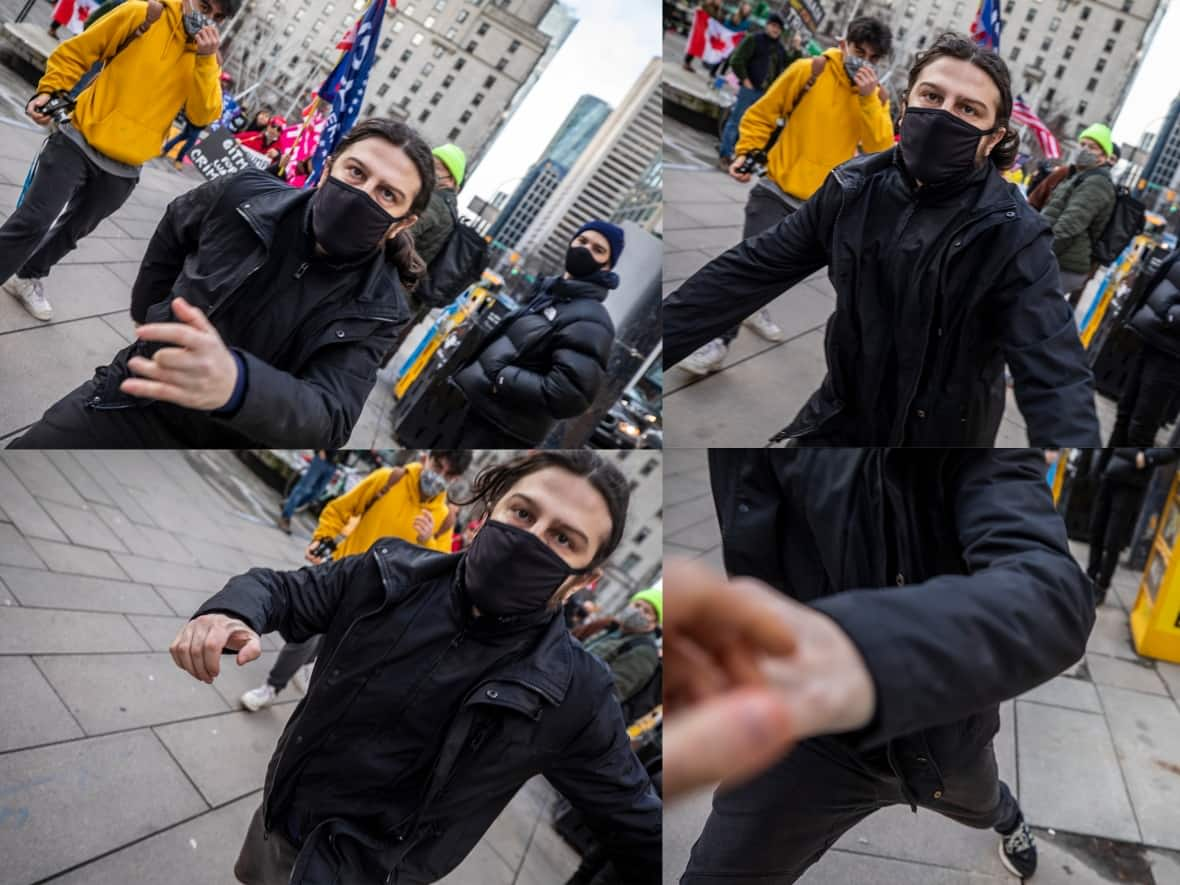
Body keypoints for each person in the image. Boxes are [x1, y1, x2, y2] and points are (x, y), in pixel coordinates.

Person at [169, 451, 662, 885]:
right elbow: (283, 590)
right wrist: (232, 610)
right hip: (279, 821)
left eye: (563, 538)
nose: (529, 539)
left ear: (584, 580)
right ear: (489, 511)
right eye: (522, 512)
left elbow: (639, 825)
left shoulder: (576, 695)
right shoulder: (389, 572)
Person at [665, 32, 1102, 446]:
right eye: (932, 97)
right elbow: (748, 271)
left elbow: (1055, 377)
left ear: (994, 139)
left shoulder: (1015, 235)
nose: (944, 115)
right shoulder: (853, 188)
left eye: (969, 109)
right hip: (836, 422)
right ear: (906, 103)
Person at [679, 448, 1095, 882]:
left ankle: (1010, 821)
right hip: (807, 736)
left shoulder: (972, 439)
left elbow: (1054, 597)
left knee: (986, 803)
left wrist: (858, 656)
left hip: (941, 735)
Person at [9, 118, 434, 449]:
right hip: (131, 395)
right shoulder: (244, 195)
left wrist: (238, 385)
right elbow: (175, 227)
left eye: (387, 195)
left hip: (215, 447)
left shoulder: (381, 308)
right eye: (356, 172)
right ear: (327, 169)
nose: (362, 194)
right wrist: (153, 316)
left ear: (404, 222)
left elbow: (331, 416)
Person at [680, 16, 894, 376]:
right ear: (844, 44)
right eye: (859, 51)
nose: (864, 62)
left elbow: (881, 149)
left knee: (770, 278)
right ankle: (717, 341)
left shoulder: (876, 98)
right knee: (747, 272)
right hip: (775, 189)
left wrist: (869, 101)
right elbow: (762, 114)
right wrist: (746, 152)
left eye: (873, 58)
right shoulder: (809, 69)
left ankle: (754, 307)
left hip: (818, 210)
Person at [2, 0, 229, 323]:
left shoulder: (206, 57)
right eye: (204, 6)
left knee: (73, 231)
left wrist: (206, 61)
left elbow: (203, 114)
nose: (207, 18)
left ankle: (27, 276)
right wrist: (48, 91)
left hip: (125, 167)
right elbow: (79, 51)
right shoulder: (143, 13)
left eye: (217, 16)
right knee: (33, 221)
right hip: (79, 138)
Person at [242, 450, 472, 712]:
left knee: (334, 644)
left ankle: (307, 669)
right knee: (304, 638)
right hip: (341, 575)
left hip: (378, 600)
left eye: (448, 473)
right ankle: (271, 687)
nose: (439, 476)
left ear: (456, 479)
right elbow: (340, 509)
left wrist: (427, 540)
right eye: (437, 465)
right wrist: (321, 539)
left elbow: (437, 568)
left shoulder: (443, 518)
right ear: (426, 458)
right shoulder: (390, 479)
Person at [450, 220, 622, 446]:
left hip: (500, 429)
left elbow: (571, 394)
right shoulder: (550, 293)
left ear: (607, 266)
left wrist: (502, 378)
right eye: (582, 241)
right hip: (477, 411)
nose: (585, 250)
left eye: (598, 250)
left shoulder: (592, 319)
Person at [1087, 448, 1180, 607]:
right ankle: (1089, 577)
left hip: (1131, 478)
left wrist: (1146, 457)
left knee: (1112, 540)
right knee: (1096, 530)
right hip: (1111, 472)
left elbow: (1174, 449)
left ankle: (1101, 586)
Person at [1042, 124, 1118, 308]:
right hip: (1057, 259)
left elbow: (1070, 225)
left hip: (1064, 264)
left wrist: (1040, 252)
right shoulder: (1082, 176)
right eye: (1082, 144)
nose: (1084, 150)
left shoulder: (1097, 183)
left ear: (1104, 156)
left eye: (1092, 147)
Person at [1118, 247, 1180, 446]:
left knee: (1140, 428)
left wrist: (1168, 314)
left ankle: (1121, 475)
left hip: (1171, 350)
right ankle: (1102, 473)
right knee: (1125, 413)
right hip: (1152, 334)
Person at [718, 15, 796, 168]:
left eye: (778, 28)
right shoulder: (754, 39)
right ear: (767, 25)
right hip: (750, 89)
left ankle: (739, 155)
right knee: (736, 121)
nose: (775, 30)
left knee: (753, 125)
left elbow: (790, 67)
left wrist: (797, 48)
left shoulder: (780, 49)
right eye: (773, 26)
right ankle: (726, 155)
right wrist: (746, 81)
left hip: (766, 94)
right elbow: (737, 60)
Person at [579, 588, 662, 713]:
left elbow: (611, 692)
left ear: (654, 623)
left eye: (647, 611)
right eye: (637, 605)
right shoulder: (613, 629)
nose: (638, 611)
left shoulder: (644, 651)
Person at [275, 450, 341, 534]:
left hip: (333, 465)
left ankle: (288, 504)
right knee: (303, 489)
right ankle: (285, 518)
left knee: (316, 495)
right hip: (321, 460)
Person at [683, 0, 724, 72]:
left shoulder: (717, 9)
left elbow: (716, 19)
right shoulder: (707, 5)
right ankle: (687, 62)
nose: (719, 2)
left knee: (702, 46)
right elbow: (700, 10)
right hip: (701, 27)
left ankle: (691, 62)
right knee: (696, 44)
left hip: (707, 29)